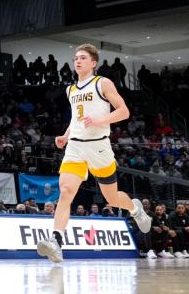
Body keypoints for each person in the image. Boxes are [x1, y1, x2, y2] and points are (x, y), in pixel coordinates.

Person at [36, 44, 151, 263]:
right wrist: (65, 135)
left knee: (112, 198)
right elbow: (76, 119)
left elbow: (124, 111)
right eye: (75, 58)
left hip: (99, 146)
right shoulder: (71, 89)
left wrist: (100, 121)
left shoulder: (102, 83)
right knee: (65, 191)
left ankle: (134, 208)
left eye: (82, 58)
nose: (77, 61)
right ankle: (55, 242)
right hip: (76, 147)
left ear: (93, 62)